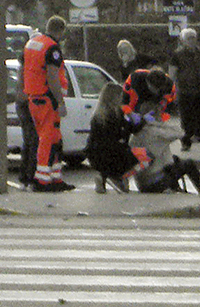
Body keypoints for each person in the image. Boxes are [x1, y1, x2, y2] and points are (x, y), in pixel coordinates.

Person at [22, 15, 74, 192]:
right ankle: (42, 179)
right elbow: (52, 76)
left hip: (34, 97)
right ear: (60, 31)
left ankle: (55, 177)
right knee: (48, 139)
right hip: (47, 99)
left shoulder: (33, 43)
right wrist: (60, 102)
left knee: (54, 138)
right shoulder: (52, 48)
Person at [85, 83, 137, 193]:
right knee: (138, 155)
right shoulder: (116, 115)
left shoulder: (98, 115)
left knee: (109, 151)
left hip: (94, 155)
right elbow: (127, 131)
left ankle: (102, 177)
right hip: (111, 155)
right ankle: (118, 177)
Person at [168, 27, 200, 151]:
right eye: (188, 38)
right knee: (186, 118)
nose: (191, 40)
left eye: (193, 38)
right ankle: (186, 143)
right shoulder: (177, 54)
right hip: (184, 90)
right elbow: (172, 72)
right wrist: (171, 87)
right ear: (182, 40)